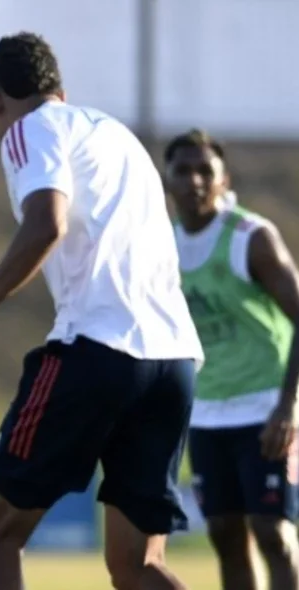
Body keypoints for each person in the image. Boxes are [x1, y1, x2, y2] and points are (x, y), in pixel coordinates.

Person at [0, 32, 203, 589]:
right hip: (174, 363)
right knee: (138, 565)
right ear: (61, 89)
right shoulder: (119, 136)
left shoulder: (29, 128)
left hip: (96, 352)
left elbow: (45, 222)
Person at [167, 129, 299, 590]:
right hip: (207, 413)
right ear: (168, 181)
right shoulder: (162, 247)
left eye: (206, 171)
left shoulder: (251, 238)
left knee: (273, 534)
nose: (195, 181)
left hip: (268, 408)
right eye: (183, 170)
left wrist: (288, 407)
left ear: (224, 182)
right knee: (224, 534)